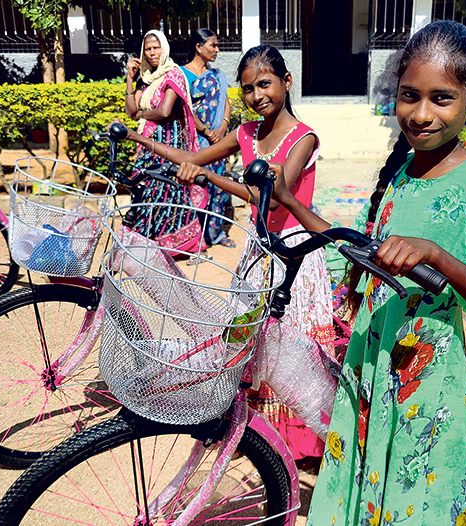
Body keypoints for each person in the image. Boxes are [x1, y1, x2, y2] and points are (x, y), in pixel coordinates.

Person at [267, 21, 466, 525]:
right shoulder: (399, 172)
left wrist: (436, 255)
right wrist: (288, 202)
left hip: (425, 372)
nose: (421, 114)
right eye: (410, 96)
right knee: (362, 478)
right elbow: (353, 246)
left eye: (441, 98)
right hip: (369, 356)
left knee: (410, 492)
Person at [115, 44, 337, 463]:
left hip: (293, 251)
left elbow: (272, 196)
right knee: (247, 336)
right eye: (248, 89)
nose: (257, 95)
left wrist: (210, 178)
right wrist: (138, 138)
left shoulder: (303, 137)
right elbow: (192, 158)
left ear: (287, 82)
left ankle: (301, 441)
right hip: (258, 249)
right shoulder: (246, 133)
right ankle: (255, 434)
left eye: (265, 84)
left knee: (288, 342)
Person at [123, 30, 207, 249]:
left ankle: (179, 244)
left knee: (167, 191)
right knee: (143, 188)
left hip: (167, 142)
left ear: (164, 48)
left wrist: (142, 114)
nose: (152, 53)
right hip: (146, 142)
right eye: (148, 49)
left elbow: (165, 111)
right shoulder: (146, 78)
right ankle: (145, 241)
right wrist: (130, 79)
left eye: (156, 48)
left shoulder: (173, 74)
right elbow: (131, 111)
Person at [181, 28, 236, 249]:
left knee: (218, 186)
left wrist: (223, 126)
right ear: (198, 47)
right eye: (213, 45)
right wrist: (206, 130)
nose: (217, 50)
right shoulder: (182, 75)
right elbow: (184, 108)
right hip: (195, 142)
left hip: (218, 142)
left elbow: (226, 102)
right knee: (195, 186)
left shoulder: (217, 76)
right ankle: (196, 236)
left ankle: (215, 233)